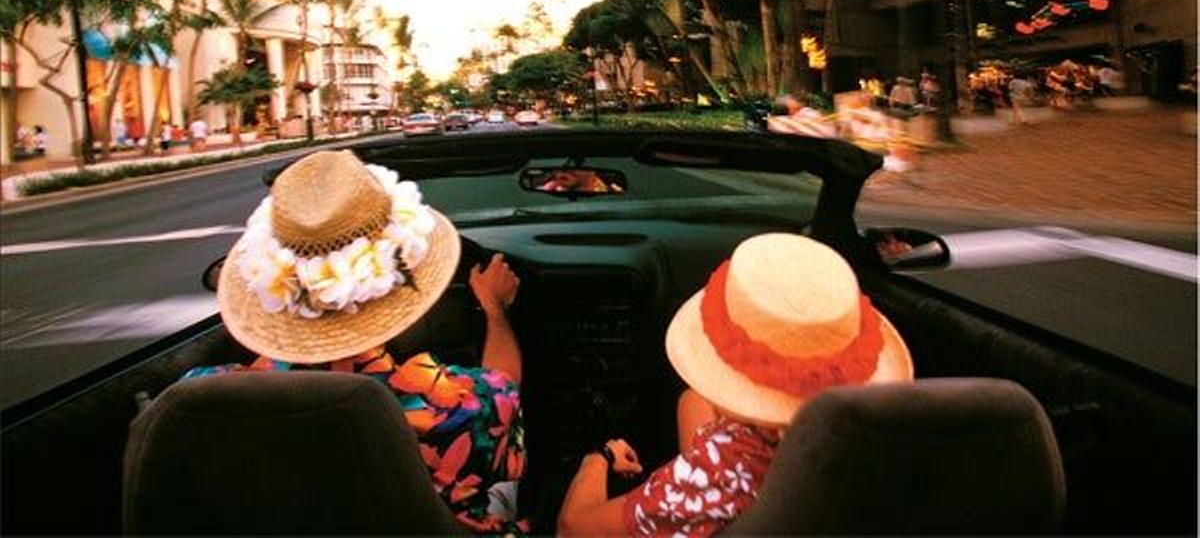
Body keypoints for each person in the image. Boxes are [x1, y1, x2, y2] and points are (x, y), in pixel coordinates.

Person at [183, 150, 529, 534]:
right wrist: (495, 310)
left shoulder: (199, 399)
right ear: (399, 295)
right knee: (503, 487)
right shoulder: (443, 407)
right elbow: (505, 386)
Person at [557, 233, 913, 536]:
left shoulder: (720, 475)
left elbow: (573, 528)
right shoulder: (892, 433)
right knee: (692, 401)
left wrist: (599, 458)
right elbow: (697, 405)